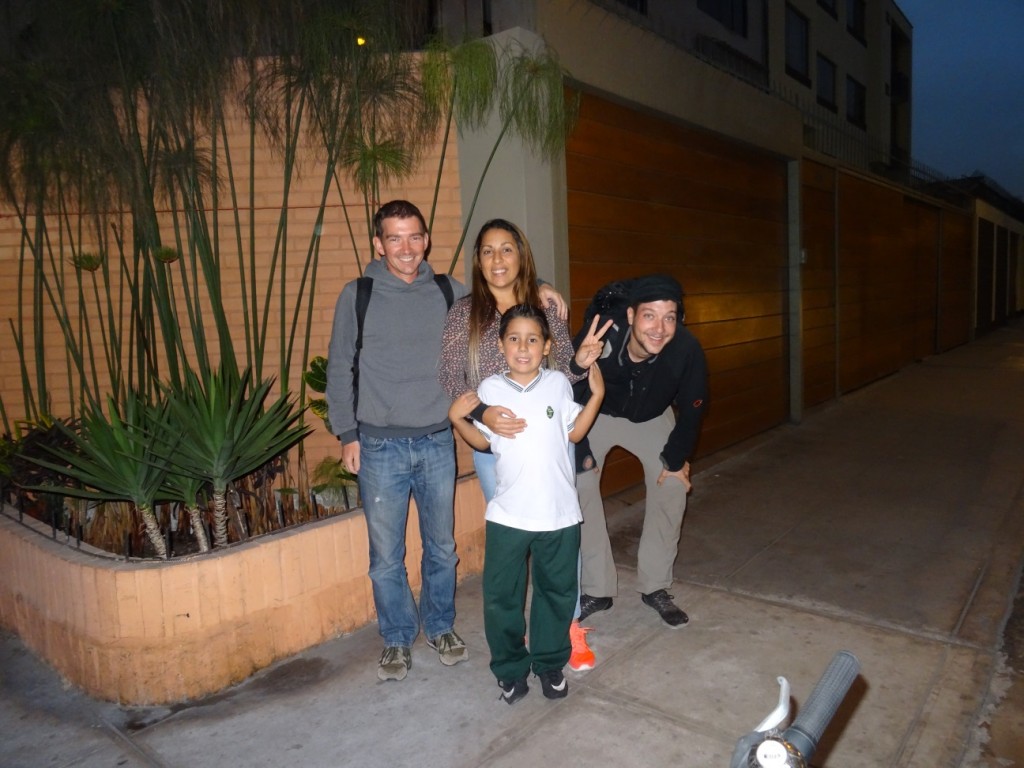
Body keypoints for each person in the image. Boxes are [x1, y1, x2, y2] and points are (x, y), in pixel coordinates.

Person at [325, 201, 567, 682]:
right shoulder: (359, 294)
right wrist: (347, 434)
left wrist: (539, 289)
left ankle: (440, 627)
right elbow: (339, 367)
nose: (406, 248)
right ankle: (396, 637)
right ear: (378, 244)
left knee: (441, 546)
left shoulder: (448, 292)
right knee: (385, 556)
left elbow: (501, 294)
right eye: (394, 238)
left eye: (414, 236)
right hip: (377, 445)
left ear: (427, 240)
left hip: (436, 440)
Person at [439, 218, 609, 671]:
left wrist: (580, 359)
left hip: (552, 444)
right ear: (478, 260)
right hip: (498, 449)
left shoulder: (545, 306)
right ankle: (517, 635)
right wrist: (482, 414)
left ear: (521, 255)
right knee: (515, 544)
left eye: (507, 249)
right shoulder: (463, 313)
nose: (498, 259)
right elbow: (451, 379)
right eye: (488, 250)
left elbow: (567, 380)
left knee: (558, 533)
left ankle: (567, 627)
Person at [449, 303, 605, 704]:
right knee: (502, 595)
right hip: (509, 514)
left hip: (559, 514)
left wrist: (597, 396)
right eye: (514, 338)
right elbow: (484, 442)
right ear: (501, 346)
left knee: (557, 592)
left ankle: (550, 663)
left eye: (533, 339)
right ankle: (510, 669)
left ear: (547, 345)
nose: (523, 347)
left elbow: (573, 434)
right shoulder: (490, 389)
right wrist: (458, 419)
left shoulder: (557, 384)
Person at [573, 274, 708, 628]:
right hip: (597, 411)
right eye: (650, 315)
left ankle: (655, 585)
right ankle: (597, 588)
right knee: (578, 484)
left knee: (673, 484)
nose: (660, 328)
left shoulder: (686, 349)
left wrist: (675, 461)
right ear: (631, 315)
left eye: (670, 317)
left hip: (651, 415)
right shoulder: (601, 331)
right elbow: (567, 388)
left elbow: (693, 409)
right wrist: (579, 453)